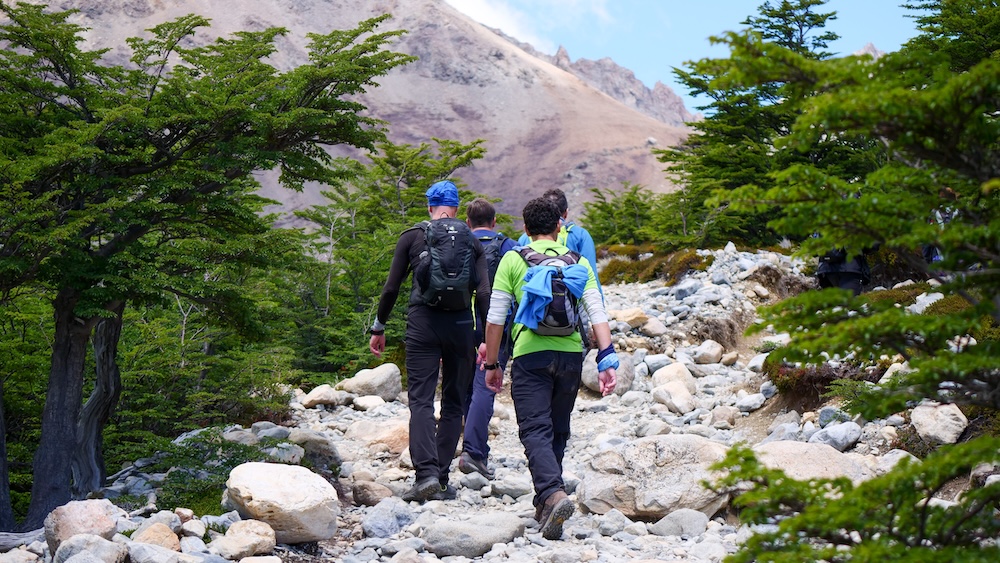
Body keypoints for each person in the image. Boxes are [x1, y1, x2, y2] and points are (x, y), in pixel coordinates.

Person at [482, 197, 618, 540]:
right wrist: (607, 358)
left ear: (525, 230)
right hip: (571, 355)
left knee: (534, 430)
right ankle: (547, 502)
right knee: (558, 428)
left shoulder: (514, 259)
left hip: (530, 356)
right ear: (560, 227)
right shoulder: (578, 262)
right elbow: (596, 312)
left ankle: (553, 493)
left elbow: (496, 318)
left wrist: (493, 363)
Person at [369, 180, 491, 502]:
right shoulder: (471, 240)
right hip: (461, 326)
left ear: (429, 206)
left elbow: (391, 288)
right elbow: (485, 293)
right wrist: (483, 339)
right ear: (457, 208)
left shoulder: (413, 235)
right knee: (453, 402)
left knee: (421, 400)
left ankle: (424, 475)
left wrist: (379, 327)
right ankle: (441, 476)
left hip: (423, 324)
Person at [459, 198, 518, 479]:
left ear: (468, 223)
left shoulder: (458, 242)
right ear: (494, 222)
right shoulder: (507, 246)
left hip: (459, 323)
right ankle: (473, 452)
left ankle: (472, 447)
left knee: (467, 386)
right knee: (485, 386)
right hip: (494, 326)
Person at [517, 188, 603, 296]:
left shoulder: (525, 237)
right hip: (568, 304)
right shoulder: (580, 235)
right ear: (566, 213)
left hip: (534, 301)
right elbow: (591, 276)